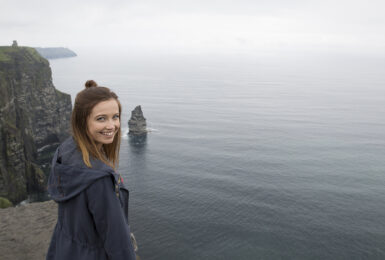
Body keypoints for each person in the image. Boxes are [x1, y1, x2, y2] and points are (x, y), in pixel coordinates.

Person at [46, 80, 137, 260]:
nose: (111, 126)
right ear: (82, 121)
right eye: (101, 118)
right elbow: (118, 243)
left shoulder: (64, 152)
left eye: (115, 117)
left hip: (64, 249)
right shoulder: (99, 179)